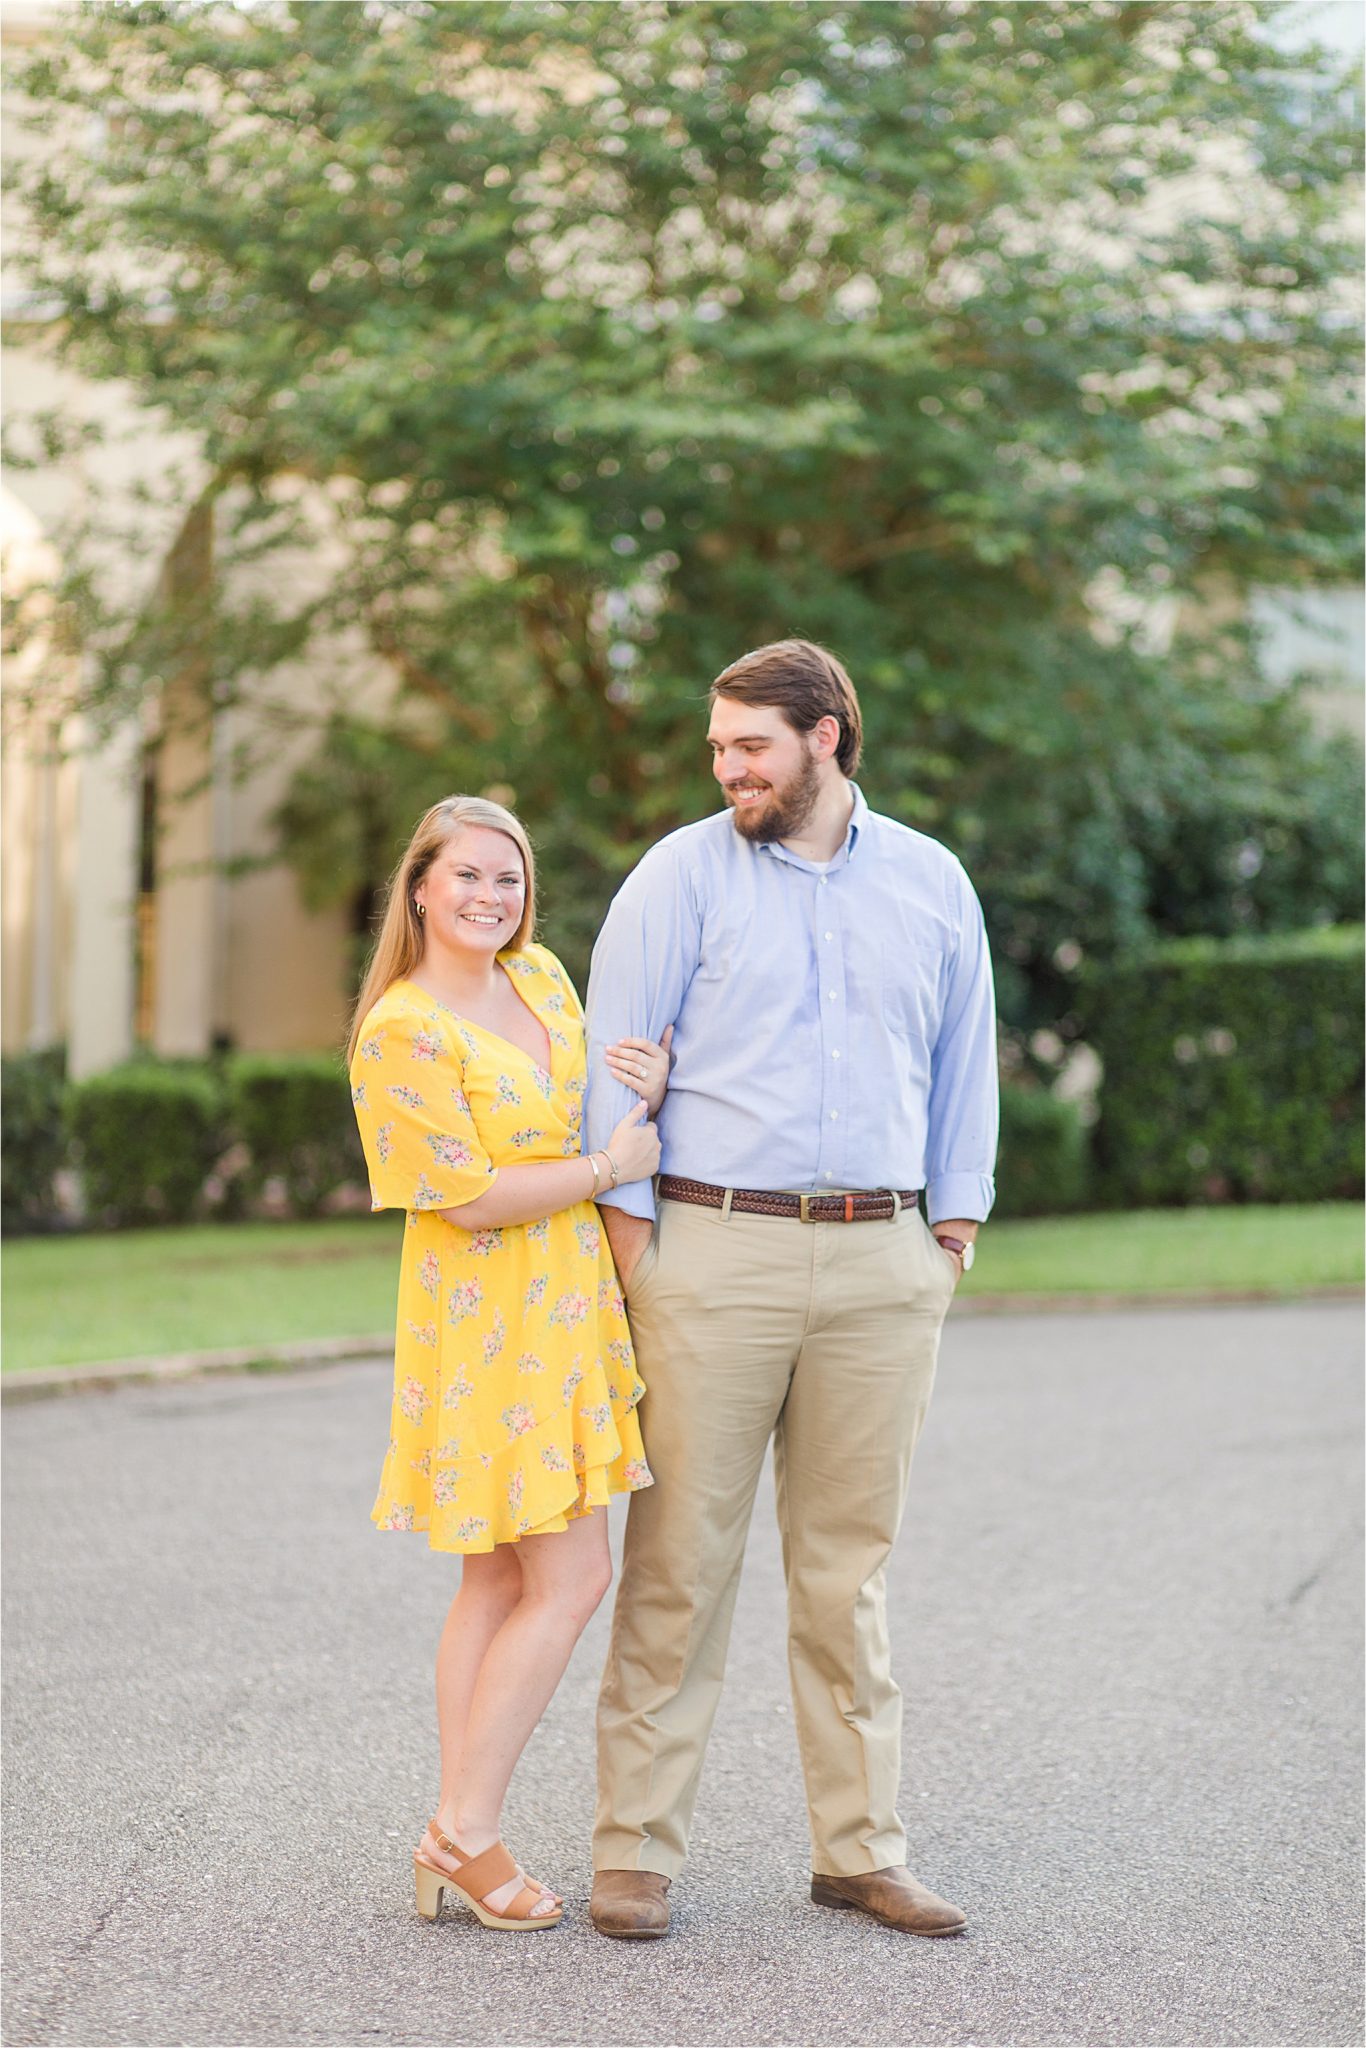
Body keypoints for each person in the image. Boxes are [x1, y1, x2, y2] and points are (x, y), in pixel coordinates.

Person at [582, 640, 999, 1940]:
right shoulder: (677, 877)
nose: (728, 771)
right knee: (677, 1566)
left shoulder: (931, 882)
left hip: (881, 1262)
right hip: (713, 1253)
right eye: (717, 750)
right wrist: (638, 1246)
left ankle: (858, 1849)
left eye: (748, 747)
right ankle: (633, 1852)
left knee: (845, 1573)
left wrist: (948, 1232)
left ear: (825, 737)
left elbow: (962, 1058)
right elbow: (612, 1061)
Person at [347, 794, 670, 1933]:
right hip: (485, 1320)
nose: (491, 897)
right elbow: (463, 1191)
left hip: (568, 1302)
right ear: (420, 886)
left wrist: (647, 1081)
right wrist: (604, 1164)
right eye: (469, 877)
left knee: (497, 1578)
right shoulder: (400, 1028)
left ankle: (456, 1824)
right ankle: (466, 1830)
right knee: (571, 1576)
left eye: (510, 878)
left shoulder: (541, 980)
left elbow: (598, 1097)